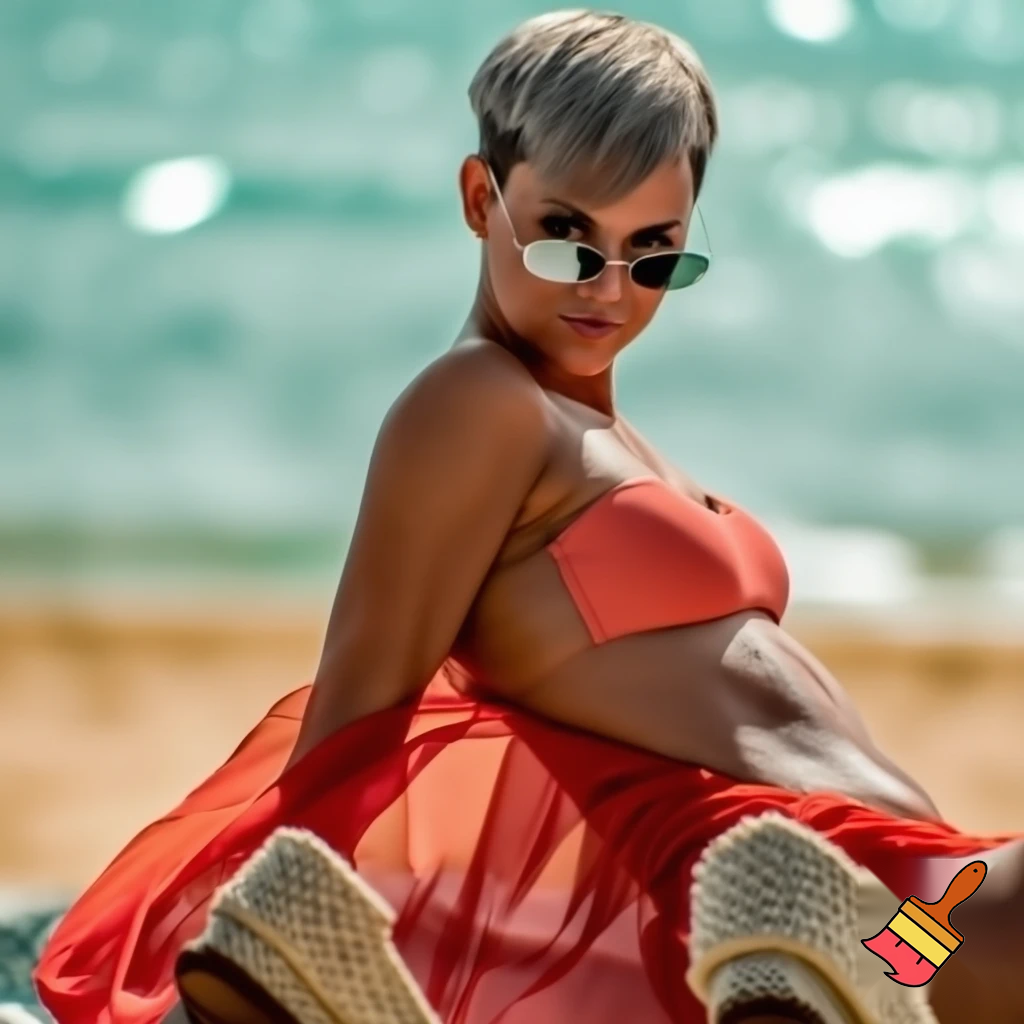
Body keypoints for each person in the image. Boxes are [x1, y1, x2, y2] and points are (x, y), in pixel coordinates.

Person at [33, 10, 1024, 1024]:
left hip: (911, 898)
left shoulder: (611, 439)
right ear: (480, 197)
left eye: (652, 254)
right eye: (566, 240)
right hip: (773, 900)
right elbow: (357, 717)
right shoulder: (479, 400)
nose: (608, 289)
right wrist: (282, 939)